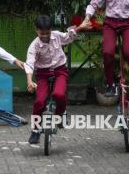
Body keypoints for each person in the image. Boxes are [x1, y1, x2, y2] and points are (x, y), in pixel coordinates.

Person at [25, 15, 91, 144]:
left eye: (47, 33)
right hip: (43, 74)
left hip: (59, 70)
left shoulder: (56, 36)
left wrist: (80, 28)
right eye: (41, 33)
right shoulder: (34, 46)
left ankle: (61, 113)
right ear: (36, 30)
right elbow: (29, 63)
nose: (45, 36)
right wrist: (29, 81)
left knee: (58, 94)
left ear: (51, 30)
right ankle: (36, 130)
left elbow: (68, 36)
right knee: (39, 101)